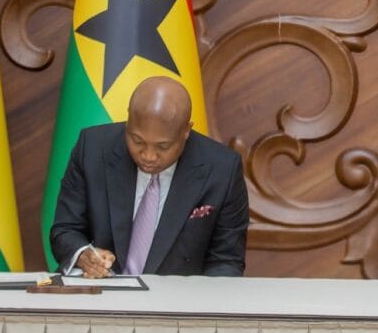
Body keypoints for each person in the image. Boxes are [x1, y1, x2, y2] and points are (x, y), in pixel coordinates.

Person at [50, 76, 249, 276]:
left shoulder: (222, 169)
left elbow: (226, 260)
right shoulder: (93, 148)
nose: (148, 156)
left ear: (186, 131)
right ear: (128, 121)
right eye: (137, 141)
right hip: (101, 289)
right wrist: (83, 255)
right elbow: (65, 229)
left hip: (177, 293)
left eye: (163, 146)